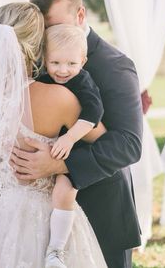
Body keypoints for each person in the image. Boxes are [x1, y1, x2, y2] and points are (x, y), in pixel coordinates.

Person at [11, 0, 143, 268]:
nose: (48, 36)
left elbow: (128, 145)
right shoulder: (38, 57)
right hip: (40, 215)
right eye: (42, 28)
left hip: (102, 211)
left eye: (55, 25)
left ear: (80, 14)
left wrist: (60, 163)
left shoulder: (115, 66)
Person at [0, 2, 107, 268]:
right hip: (40, 218)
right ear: (39, 49)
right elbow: (102, 138)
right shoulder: (59, 98)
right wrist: (62, 160)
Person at [39, 23, 105, 266]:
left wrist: (69, 138)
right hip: (50, 140)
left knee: (65, 189)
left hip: (75, 141)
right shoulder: (42, 76)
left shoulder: (83, 81)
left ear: (83, 61)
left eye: (71, 64)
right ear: (45, 58)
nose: (63, 70)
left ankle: (55, 250)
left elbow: (93, 113)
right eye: (55, 63)